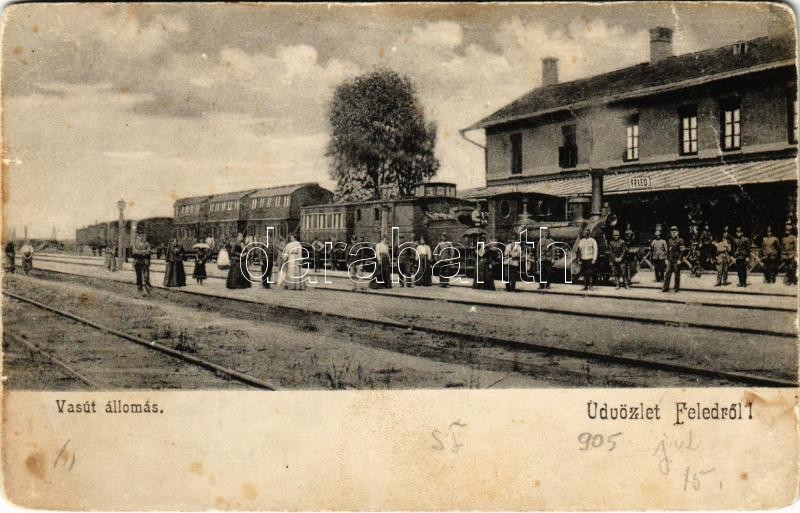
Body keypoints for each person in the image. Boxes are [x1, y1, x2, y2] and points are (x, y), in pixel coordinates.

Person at [662, 226, 684, 293]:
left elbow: (682, 251)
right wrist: (666, 258)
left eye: (675, 232)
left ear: (677, 232)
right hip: (670, 260)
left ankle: (676, 288)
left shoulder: (680, 240)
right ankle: (665, 288)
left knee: (677, 275)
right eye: (672, 232)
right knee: (667, 274)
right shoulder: (669, 240)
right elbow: (668, 251)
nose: (673, 233)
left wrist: (680, 259)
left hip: (676, 260)